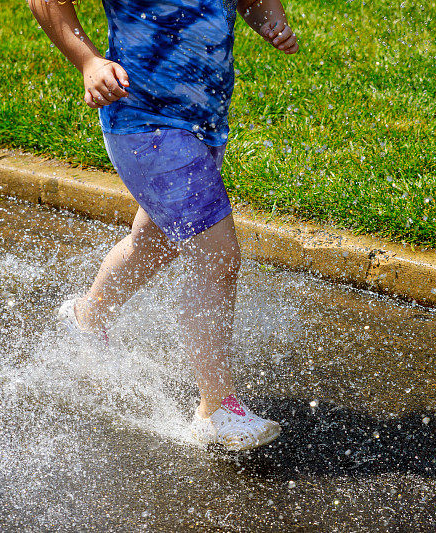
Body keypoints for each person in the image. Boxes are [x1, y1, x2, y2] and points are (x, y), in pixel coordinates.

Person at [28, 0, 299, 451]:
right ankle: (216, 409)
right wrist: (89, 60)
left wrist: (272, 19)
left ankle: (87, 318)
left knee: (154, 243)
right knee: (217, 257)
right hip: (144, 121)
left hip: (203, 122)